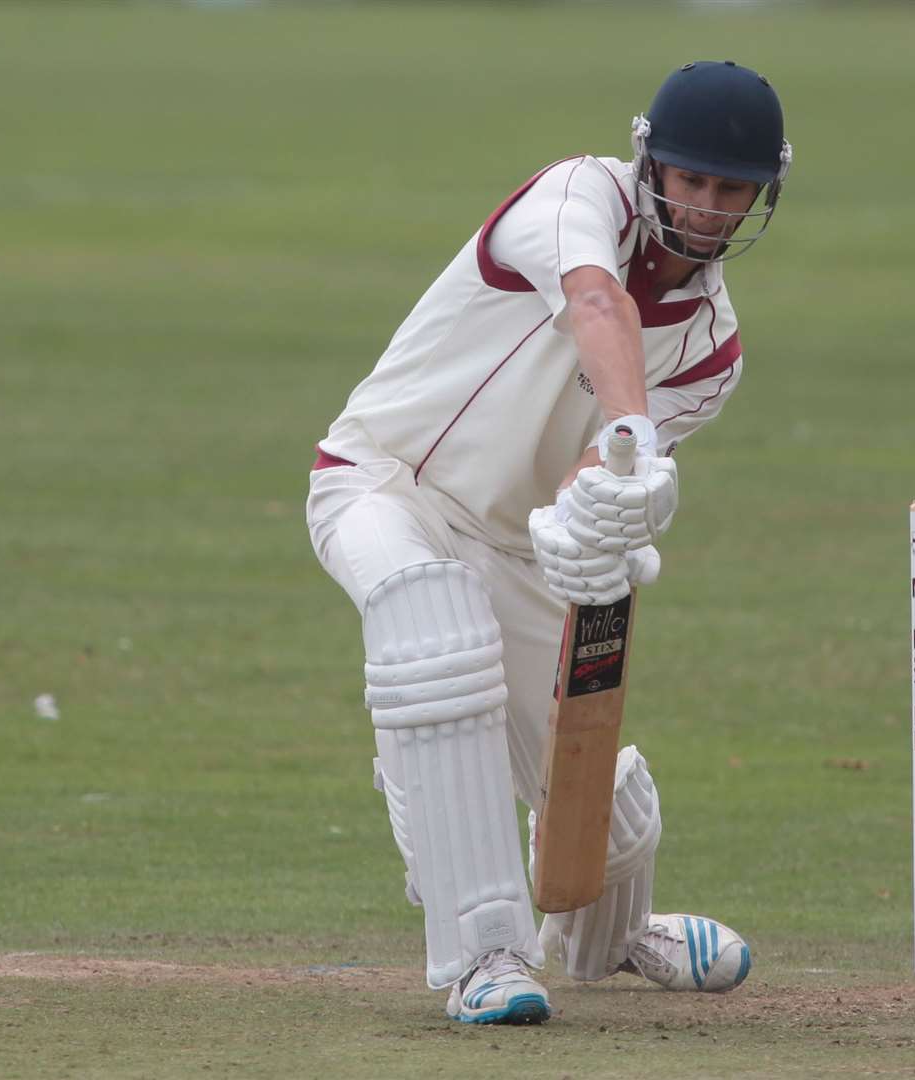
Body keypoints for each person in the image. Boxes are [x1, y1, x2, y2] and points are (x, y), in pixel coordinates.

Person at [304, 61, 792, 1025]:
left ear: (759, 196)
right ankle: (484, 953)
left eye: (727, 189)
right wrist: (636, 443)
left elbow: (590, 477)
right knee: (435, 637)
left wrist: (597, 517)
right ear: (650, 160)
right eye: (688, 179)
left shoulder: (712, 352)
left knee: (608, 818)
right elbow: (595, 305)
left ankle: (605, 942)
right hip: (384, 483)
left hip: (512, 546)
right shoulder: (575, 193)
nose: (701, 206)